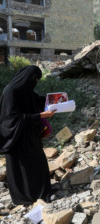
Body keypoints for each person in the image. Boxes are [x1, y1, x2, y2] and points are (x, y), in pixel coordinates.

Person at [0, 65, 56, 205]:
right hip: (16, 139)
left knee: (38, 163)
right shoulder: (11, 92)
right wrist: (41, 115)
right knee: (21, 169)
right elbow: (11, 119)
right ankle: (23, 198)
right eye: (35, 79)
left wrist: (57, 100)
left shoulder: (27, 91)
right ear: (27, 78)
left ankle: (42, 193)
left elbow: (39, 101)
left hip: (30, 137)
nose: (35, 82)